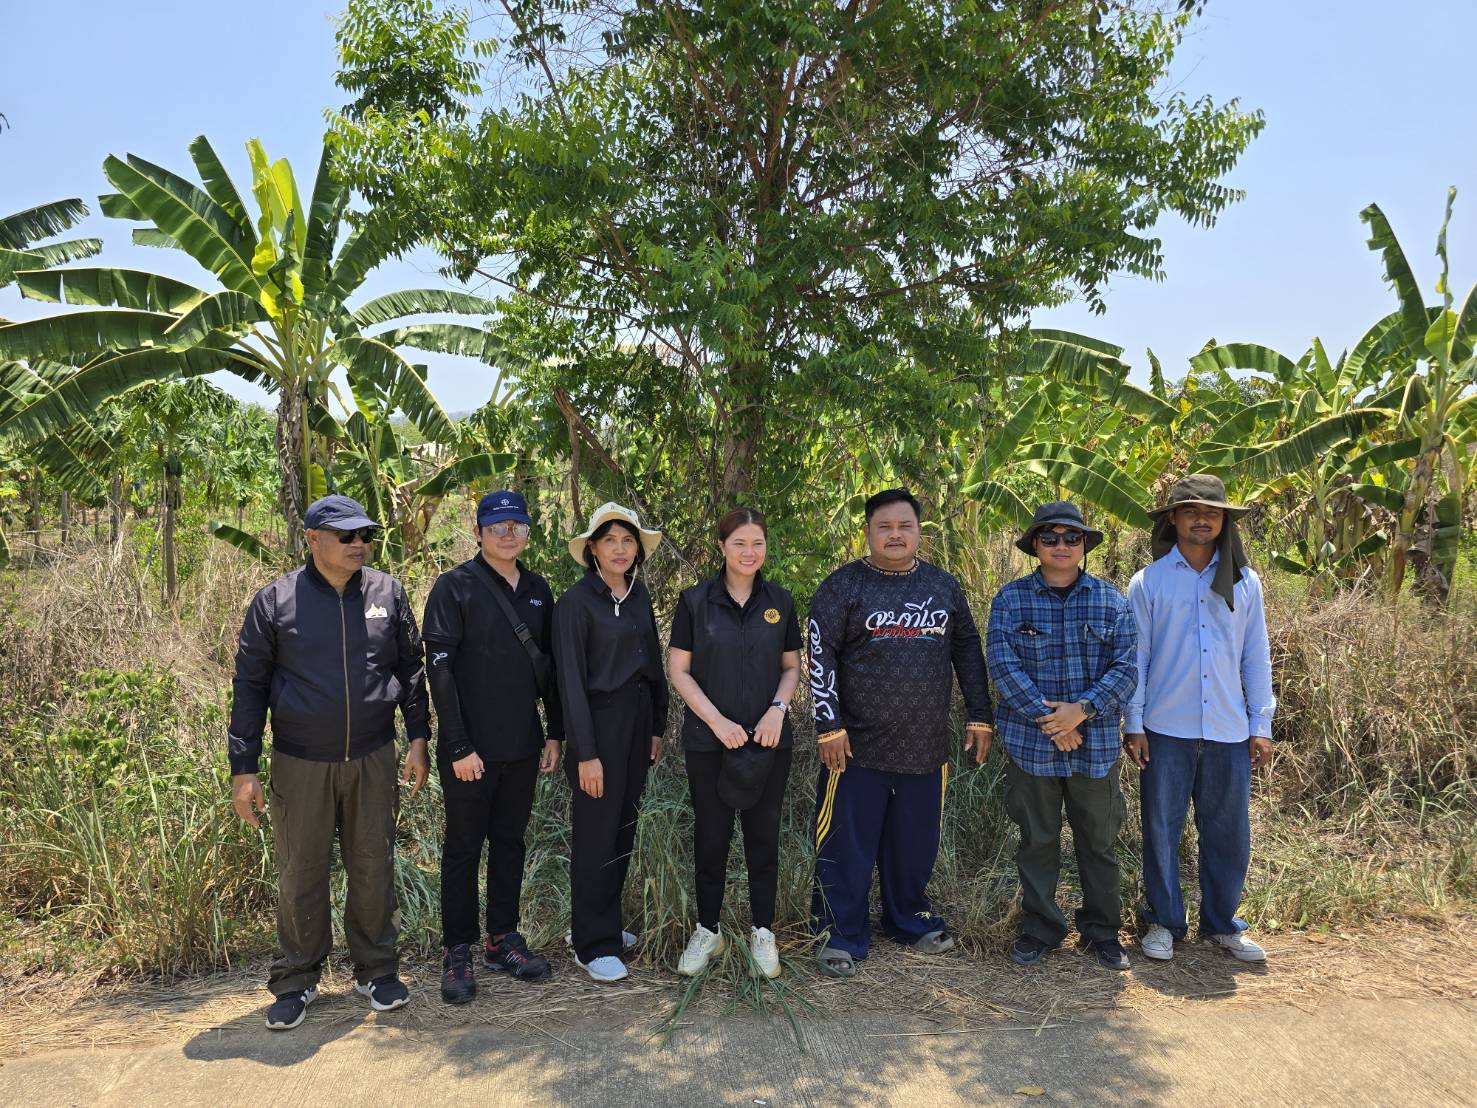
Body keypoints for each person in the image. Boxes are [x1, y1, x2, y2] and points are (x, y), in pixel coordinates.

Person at [228, 494, 429, 1031]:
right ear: (313, 538)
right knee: (301, 871)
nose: (358, 543)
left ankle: (377, 970)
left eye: (365, 534)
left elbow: (411, 669)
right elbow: (248, 687)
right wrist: (243, 768)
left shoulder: (388, 593)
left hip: (372, 755)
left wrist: (417, 738)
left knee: (372, 865)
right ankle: (297, 979)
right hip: (300, 761)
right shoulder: (276, 602)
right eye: (346, 536)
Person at [806, 488, 994, 978]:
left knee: (914, 843)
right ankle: (838, 932)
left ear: (918, 531)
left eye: (904, 526)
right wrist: (829, 725)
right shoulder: (842, 587)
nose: (894, 535)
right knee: (845, 844)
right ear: (868, 532)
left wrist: (980, 715)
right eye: (884, 526)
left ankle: (907, 920)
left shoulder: (943, 587)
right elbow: (818, 653)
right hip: (854, 749)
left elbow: (969, 650)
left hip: (925, 746)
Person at [1123, 474, 1276, 964]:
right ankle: (1165, 922)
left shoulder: (1245, 582)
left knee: (1228, 831)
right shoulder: (1149, 582)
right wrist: (1134, 721)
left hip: (1230, 729)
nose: (1201, 518)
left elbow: (1256, 656)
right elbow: (1137, 658)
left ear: (1224, 520)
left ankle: (1223, 924)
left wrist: (1261, 724)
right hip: (1166, 728)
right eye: (1190, 510)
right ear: (1173, 518)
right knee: (1162, 828)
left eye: (1211, 512)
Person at [422, 490, 562, 1004]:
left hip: (522, 746)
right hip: (469, 751)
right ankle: (457, 949)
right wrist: (457, 745)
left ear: (527, 533)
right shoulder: (453, 588)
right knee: (462, 849)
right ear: (478, 532)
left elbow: (549, 670)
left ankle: (502, 937)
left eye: (517, 524)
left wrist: (555, 733)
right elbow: (439, 672)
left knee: (510, 843)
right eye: (497, 524)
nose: (508, 532)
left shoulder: (539, 591)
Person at [986, 502, 1138, 971]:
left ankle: (1101, 931)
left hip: (1095, 747)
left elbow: (1127, 668)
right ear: (1035, 545)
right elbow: (1002, 666)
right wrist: (1051, 721)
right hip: (1032, 746)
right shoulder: (1011, 600)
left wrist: (1082, 712)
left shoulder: (1111, 600)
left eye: (1071, 538)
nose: (1061, 546)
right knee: (1037, 839)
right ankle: (1041, 929)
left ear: (1084, 546)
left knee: (1098, 841)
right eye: (1049, 538)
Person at [668, 507, 802, 978]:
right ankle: (709, 930)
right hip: (709, 742)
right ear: (722, 547)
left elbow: (791, 667)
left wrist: (777, 710)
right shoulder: (694, 601)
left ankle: (762, 932)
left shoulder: (781, 602)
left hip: (768, 741)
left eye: (758, 543)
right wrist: (718, 722)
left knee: (763, 839)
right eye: (740, 543)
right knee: (711, 838)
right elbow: (678, 671)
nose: (749, 552)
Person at [552, 502, 669, 983]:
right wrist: (587, 753)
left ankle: (607, 923)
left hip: (637, 725)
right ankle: (590, 942)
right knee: (596, 834)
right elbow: (571, 685)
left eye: (628, 540)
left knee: (623, 828)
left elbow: (653, 666)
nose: (620, 549)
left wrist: (658, 726)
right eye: (609, 541)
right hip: (596, 727)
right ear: (593, 551)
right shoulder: (575, 604)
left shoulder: (638, 597)